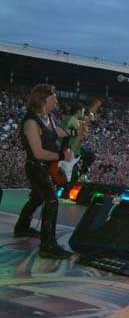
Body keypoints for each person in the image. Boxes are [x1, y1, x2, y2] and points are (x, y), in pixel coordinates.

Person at [14, 84, 74, 259]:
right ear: (42, 100)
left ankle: (22, 227)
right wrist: (61, 156)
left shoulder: (49, 118)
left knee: (37, 197)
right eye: (53, 98)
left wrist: (75, 131)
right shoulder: (31, 122)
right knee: (51, 200)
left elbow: (57, 133)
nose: (56, 100)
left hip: (45, 165)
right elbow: (37, 152)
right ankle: (48, 245)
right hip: (36, 166)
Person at [61, 102, 95, 183]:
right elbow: (81, 130)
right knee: (73, 176)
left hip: (74, 148)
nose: (83, 114)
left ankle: (82, 175)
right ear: (78, 111)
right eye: (82, 112)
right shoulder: (72, 119)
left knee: (90, 155)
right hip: (70, 149)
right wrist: (88, 119)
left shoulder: (71, 119)